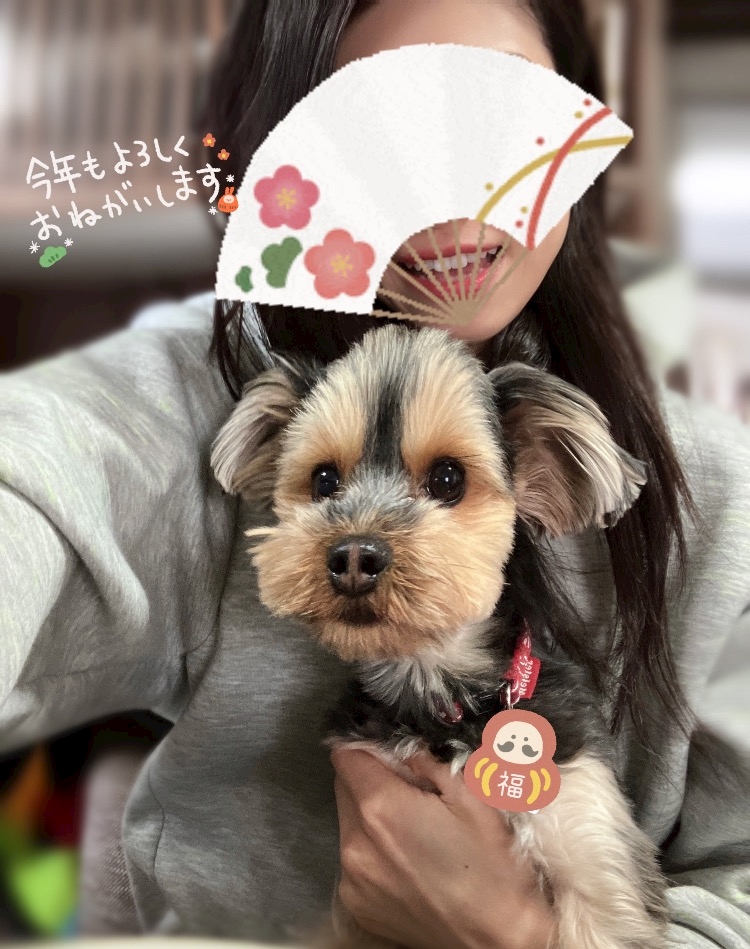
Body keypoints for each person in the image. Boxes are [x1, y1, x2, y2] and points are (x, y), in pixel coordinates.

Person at [1, 1, 748, 946]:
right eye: (378, 134)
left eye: (494, 119)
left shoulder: (718, 482)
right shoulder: (187, 404)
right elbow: (31, 468)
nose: (447, 204)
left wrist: (514, 933)